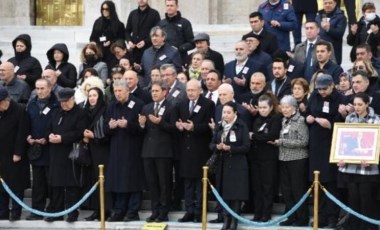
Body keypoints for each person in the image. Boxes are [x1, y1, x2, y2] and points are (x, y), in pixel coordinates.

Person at [104, 79, 146, 222]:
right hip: (116, 148)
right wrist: (110, 126)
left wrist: (128, 124)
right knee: (119, 181)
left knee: (133, 180)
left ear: (127, 91)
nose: (117, 94)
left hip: (133, 148)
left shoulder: (138, 104)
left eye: (120, 91)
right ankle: (119, 211)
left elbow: (142, 129)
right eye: (115, 91)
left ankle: (133, 211)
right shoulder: (111, 106)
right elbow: (104, 129)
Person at [306, 74, 343, 228]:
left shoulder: (338, 99)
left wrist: (331, 124)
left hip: (330, 142)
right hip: (315, 144)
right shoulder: (314, 96)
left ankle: (332, 217)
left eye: (324, 89)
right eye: (319, 88)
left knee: (330, 182)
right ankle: (318, 216)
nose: (321, 92)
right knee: (317, 181)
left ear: (332, 86)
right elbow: (308, 111)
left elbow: (342, 122)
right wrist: (307, 117)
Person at [175, 79, 215, 223]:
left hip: (200, 149)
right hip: (185, 149)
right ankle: (189, 211)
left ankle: (199, 211)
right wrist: (179, 126)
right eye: (188, 90)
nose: (190, 93)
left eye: (193, 90)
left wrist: (194, 127)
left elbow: (209, 127)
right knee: (188, 183)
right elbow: (177, 121)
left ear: (200, 90)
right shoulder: (182, 104)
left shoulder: (208, 104)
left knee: (200, 183)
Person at [338, 92, 380, 230]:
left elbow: (377, 144)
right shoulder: (349, 118)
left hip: (368, 168)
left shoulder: (376, 120)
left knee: (367, 198)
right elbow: (345, 141)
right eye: (355, 104)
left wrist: (372, 158)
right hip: (350, 166)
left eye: (360, 104)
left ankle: (368, 227)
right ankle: (354, 226)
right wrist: (342, 156)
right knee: (353, 198)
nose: (357, 107)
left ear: (367, 104)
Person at [46, 88, 88, 222]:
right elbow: (49, 127)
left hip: (71, 153)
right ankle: (56, 213)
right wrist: (50, 135)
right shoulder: (56, 111)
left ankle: (72, 213)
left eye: (66, 101)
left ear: (72, 99)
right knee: (56, 185)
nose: (63, 104)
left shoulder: (80, 113)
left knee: (71, 185)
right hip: (55, 152)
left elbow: (79, 132)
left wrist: (62, 138)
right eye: (61, 102)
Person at [139, 80, 176, 222]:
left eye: (156, 91)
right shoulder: (146, 108)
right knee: (152, 183)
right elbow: (141, 131)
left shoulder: (171, 107)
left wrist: (160, 122)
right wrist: (142, 125)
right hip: (148, 151)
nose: (154, 93)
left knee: (164, 183)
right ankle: (155, 211)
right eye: (152, 91)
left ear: (164, 92)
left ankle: (164, 212)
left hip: (164, 152)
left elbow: (174, 129)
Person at [209, 101, 250, 230]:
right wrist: (217, 146)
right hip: (223, 165)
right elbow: (211, 145)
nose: (225, 115)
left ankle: (234, 222)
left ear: (235, 113)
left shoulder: (241, 126)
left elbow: (246, 147)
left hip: (237, 165)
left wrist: (230, 148)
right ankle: (226, 220)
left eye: (228, 112)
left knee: (236, 195)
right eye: (224, 112)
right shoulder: (220, 127)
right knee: (225, 194)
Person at [270, 95, 309, 227]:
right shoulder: (284, 121)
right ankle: (292, 216)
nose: (284, 110)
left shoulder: (300, 121)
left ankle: (302, 218)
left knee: (298, 190)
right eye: (283, 107)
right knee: (287, 191)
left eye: (287, 107)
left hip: (297, 159)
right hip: (284, 158)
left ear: (294, 107)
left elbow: (303, 142)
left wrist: (281, 142)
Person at [26, 78, 59, 221]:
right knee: (38, 183)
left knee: (52, 182)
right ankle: (36, 210)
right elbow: (27, 122)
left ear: (50, 88)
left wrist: (47, 137)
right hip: (35, 148)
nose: (39, 91)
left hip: (51, 149)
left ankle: (53, 210)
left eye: (42, 88)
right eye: (37, 88)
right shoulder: (31, 104)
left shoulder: (56, 104)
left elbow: (57, 124)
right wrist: (28, 137)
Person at [250, 93, 282, 222]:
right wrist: (259, 137)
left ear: (270, 107)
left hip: (269, 158)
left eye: (265, 108)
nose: (262, 110)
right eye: (260, 107)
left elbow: (271, 136)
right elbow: (260, 136)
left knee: (267, 186)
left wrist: (255, 136)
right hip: (256, 157)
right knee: (257, 187)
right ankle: (258, 212)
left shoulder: (275, 119)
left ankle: (266, 213)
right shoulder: (257, 120)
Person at [0, 88, 30, 221]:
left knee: (16, 185)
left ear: (6, 100)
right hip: (1, 154)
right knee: (1, 186)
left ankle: (16, 212)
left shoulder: (20, 109)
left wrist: (18, 152)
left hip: (14, 155)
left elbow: (22, 133)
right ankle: (3, 211)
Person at [82, 87, 111, 221]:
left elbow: (107, 131)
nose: (92, 98)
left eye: (95, 95)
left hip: (102, 149)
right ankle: (96, 209)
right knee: (93, 179)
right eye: (90, 96)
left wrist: (94, 136)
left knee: (102, 179)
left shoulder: (105, 109)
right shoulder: (86, 111)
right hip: (90, 149)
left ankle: (105, 210)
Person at [89, 1, 125, 70]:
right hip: (99, 52)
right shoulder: (98, 22)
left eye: (107, 9)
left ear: (111, 9)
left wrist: (111, 42)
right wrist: (93, 42)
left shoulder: (119, 24)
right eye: (103, 9)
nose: (104, 11)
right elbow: (92, 37)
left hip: (112, 53)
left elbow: (121, 40)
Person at [158, 0, 195, 64]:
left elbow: (192, 43)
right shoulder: (161, 23)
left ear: (177, 6)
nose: (169, 8)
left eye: (172, 5)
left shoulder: (185, 23)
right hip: (164, 59)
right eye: (167, 5)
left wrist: (179, 48)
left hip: (180, 58)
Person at [125, 0, 161, 64]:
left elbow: (157, 32)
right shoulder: (132, 13)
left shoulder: (154, 13)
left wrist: (145, 42)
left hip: (149, 49)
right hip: (134, 51)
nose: (141, 0)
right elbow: (127, 31)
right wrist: (129, 41)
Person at [315, 0, 347, 65]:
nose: (327, 5)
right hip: (319, 51)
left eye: (330, 3)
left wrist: (328, 29)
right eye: (325, 3)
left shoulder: (341, 17)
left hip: (334, 51)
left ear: (335, 3)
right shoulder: (318, 16)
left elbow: (339, 33)